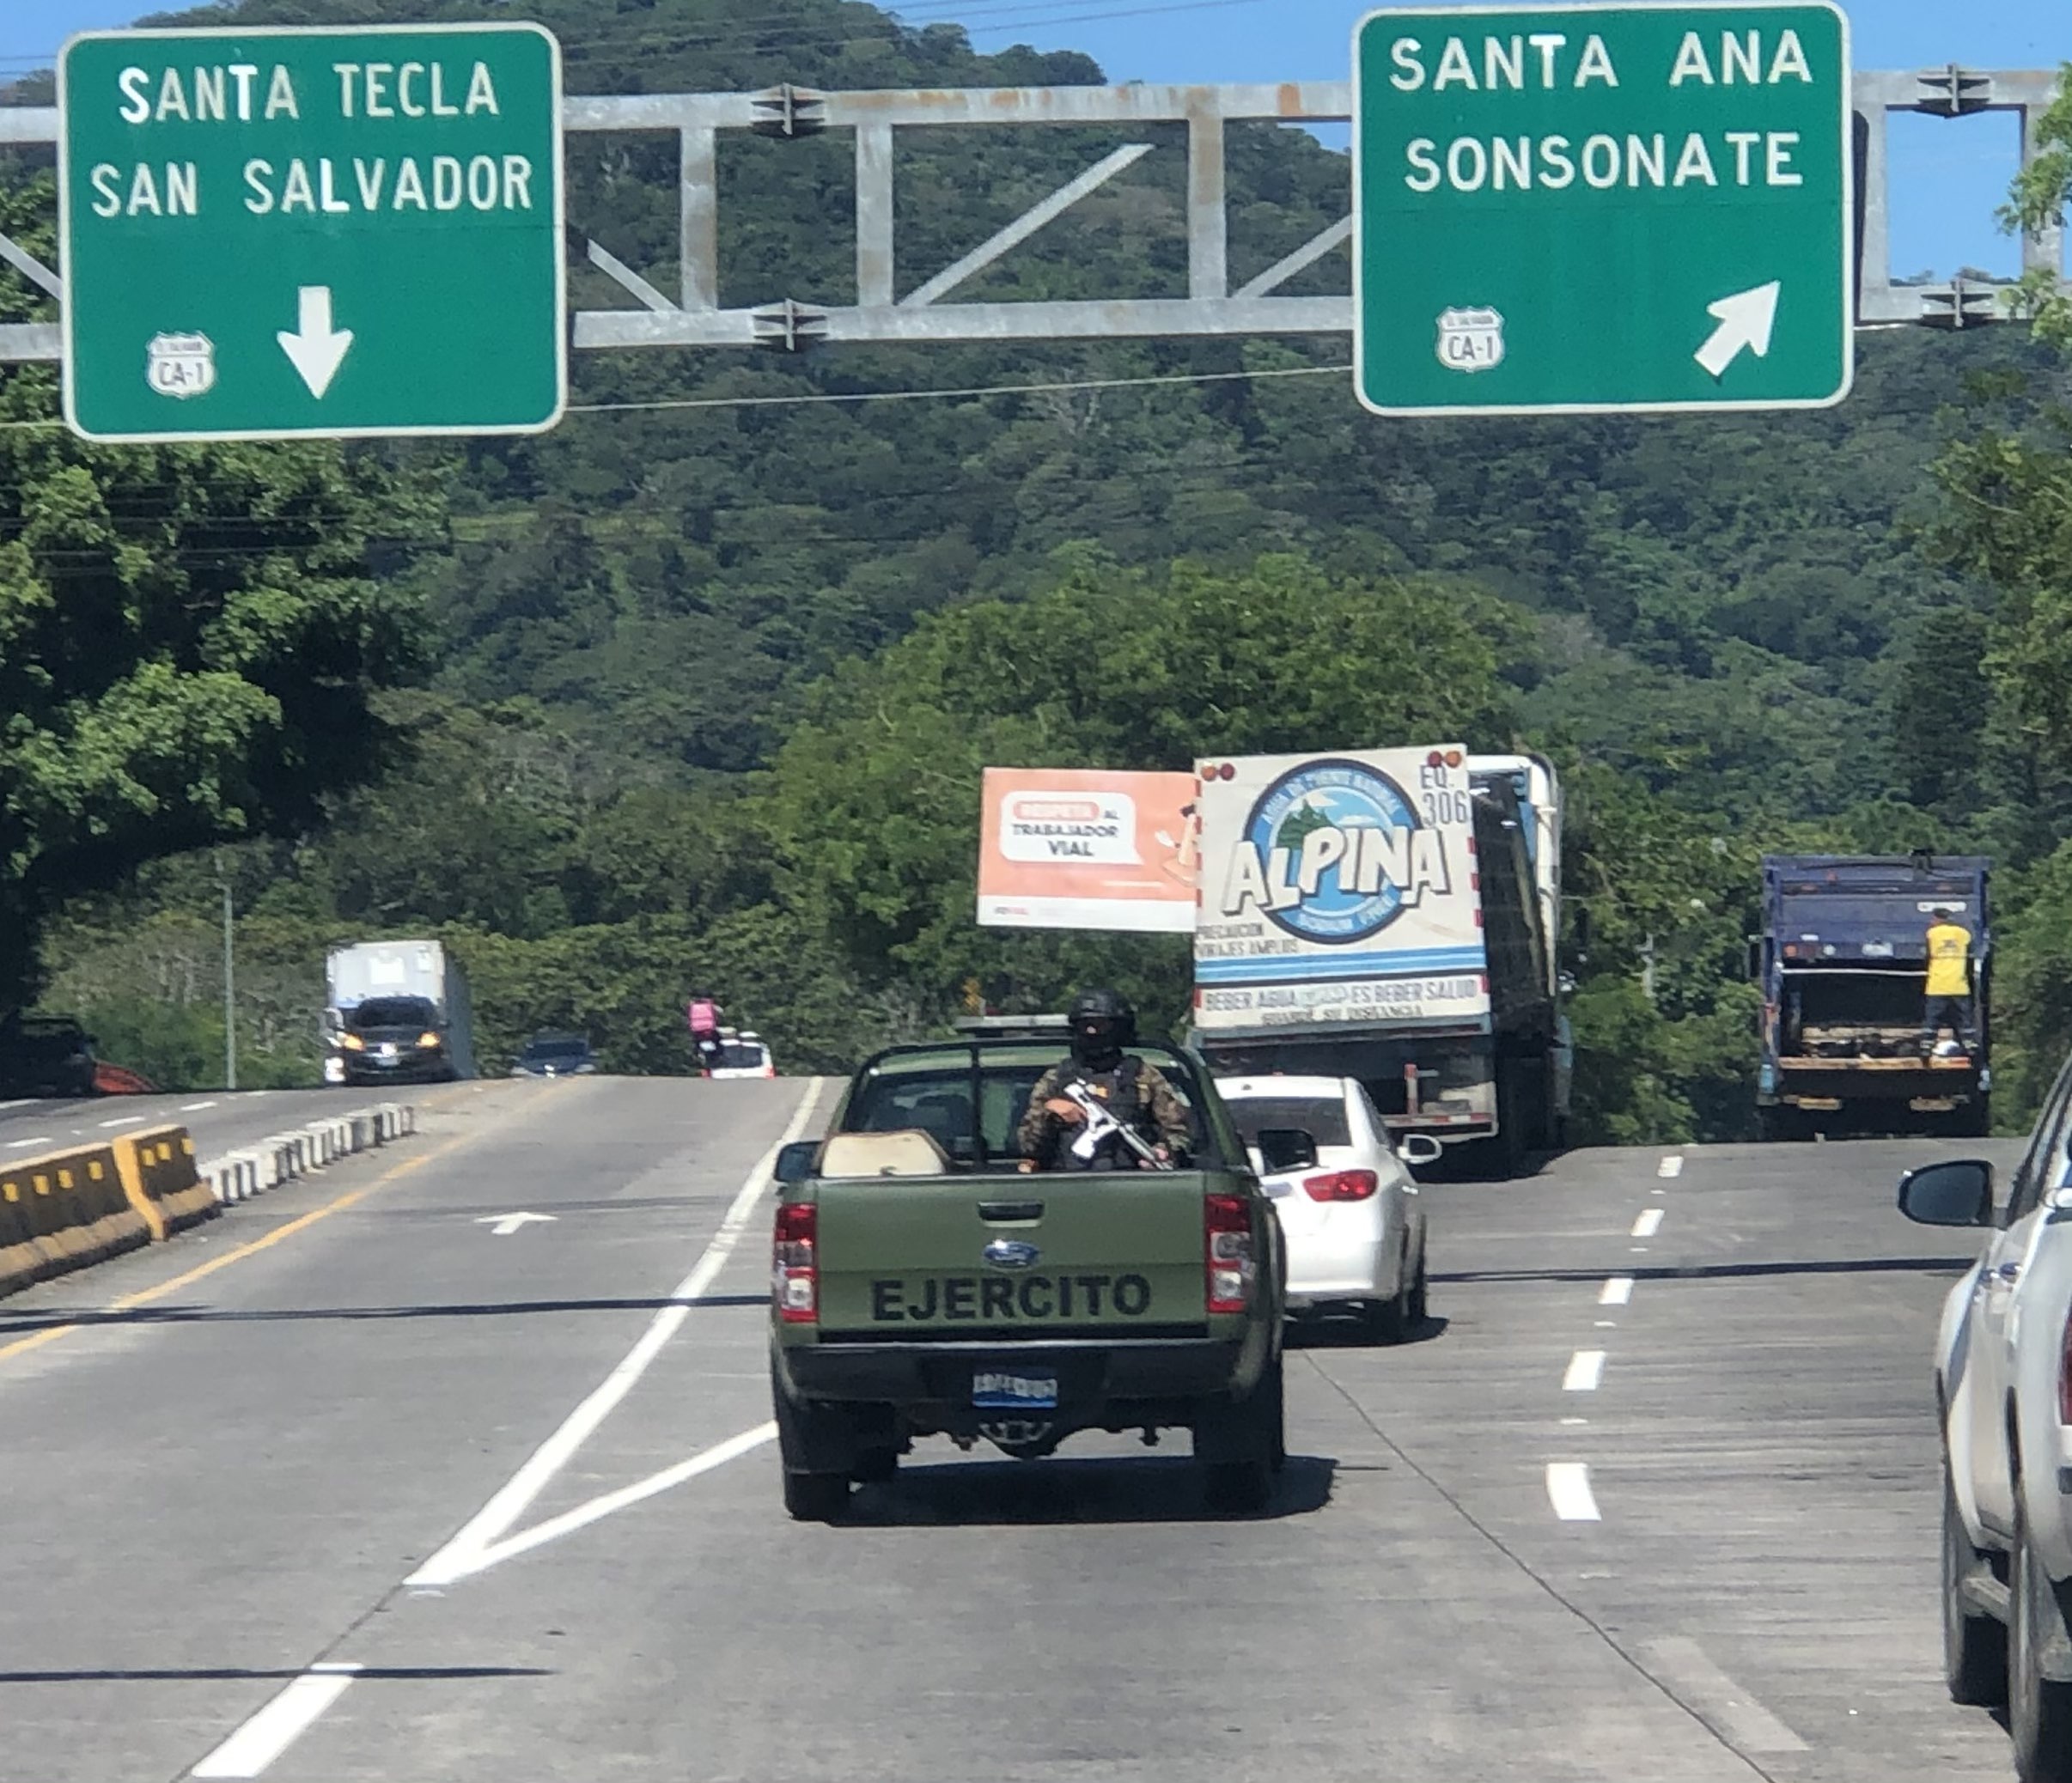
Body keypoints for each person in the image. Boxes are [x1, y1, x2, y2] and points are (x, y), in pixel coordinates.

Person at [1015, 987, 1191, 1171]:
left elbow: (1179, 1130)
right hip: (1067, 1184)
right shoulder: (1056, 1078)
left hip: (1133, 1184)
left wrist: (1162, 1152)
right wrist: (1049, 1112)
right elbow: (1027, 1145)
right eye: (1085, 1025)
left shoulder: (1143, 1076)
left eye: (1099, 1025)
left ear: (1117, 1027)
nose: (1091, 1031)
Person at [1920, 908, 1978, 1057]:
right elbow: (1971, 956)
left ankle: (1926, 1047)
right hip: (1959, 984)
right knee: (1965, 1018)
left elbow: (1926, 956)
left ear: (1937, 919)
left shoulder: (1932, 934)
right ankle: (1970, 1045)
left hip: (1937, 985)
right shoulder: (1964, 934)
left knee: (1932, 1018)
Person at [687, 994, 723, 1070]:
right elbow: (721, 1011)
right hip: (709, 1028)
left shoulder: (692, 1005)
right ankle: (718, 1057)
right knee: (719, 1043)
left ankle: (697, 1054)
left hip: (696, 1029)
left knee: (695, 1043)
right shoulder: (710, 1005)